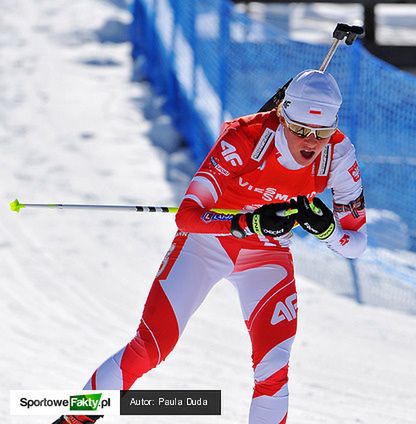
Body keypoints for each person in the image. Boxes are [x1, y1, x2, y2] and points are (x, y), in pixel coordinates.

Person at [53, 69, 367, 424]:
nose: (310, 142)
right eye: (299, 130)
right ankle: (74, 420)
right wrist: (248, 222)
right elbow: (187, 215)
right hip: (206, 244)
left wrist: (327, 232)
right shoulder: (244, 138)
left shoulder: (338, 155)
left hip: (267, 254)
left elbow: (356, 245)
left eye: (322, 133)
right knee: (151, 347)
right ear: (282, 115)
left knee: (273, 368)